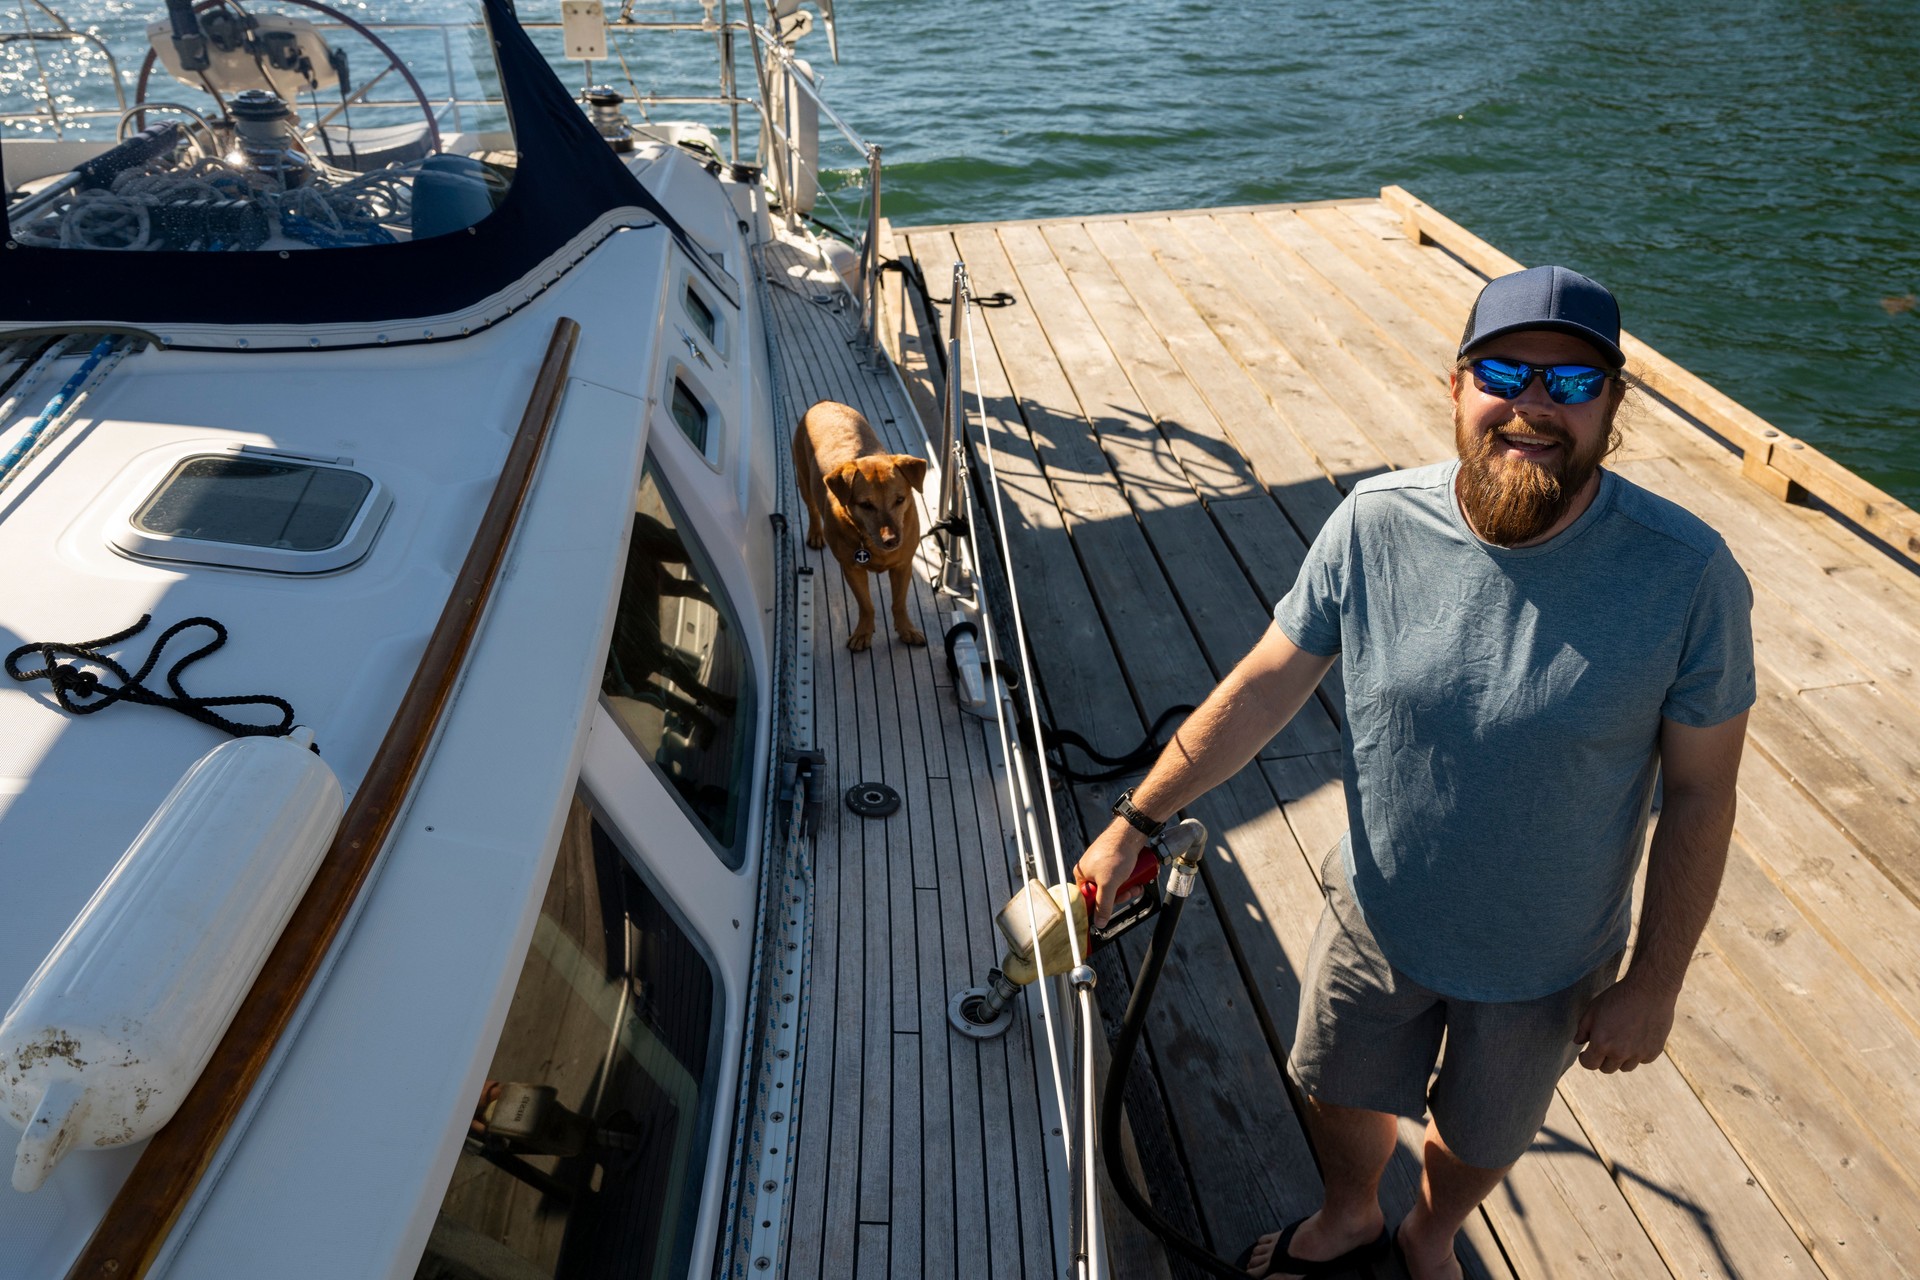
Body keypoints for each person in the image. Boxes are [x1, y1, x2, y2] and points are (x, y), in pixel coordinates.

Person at [1073, 265, 1755, 1280]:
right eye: (1504, 374)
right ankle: (1350, 1212)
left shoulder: (1691, 575)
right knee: (1336, 1083)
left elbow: (1702, 791)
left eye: (1572, 384)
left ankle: (1429, 1232)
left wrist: (1655, 980)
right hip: (1376, 911)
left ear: (1616, 405)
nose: (1531, 406)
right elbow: (1267, 684)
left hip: (1548, 957)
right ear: (1456, 387)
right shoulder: (1374, 522)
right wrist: (1136, 817)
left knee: (1484, 1132)